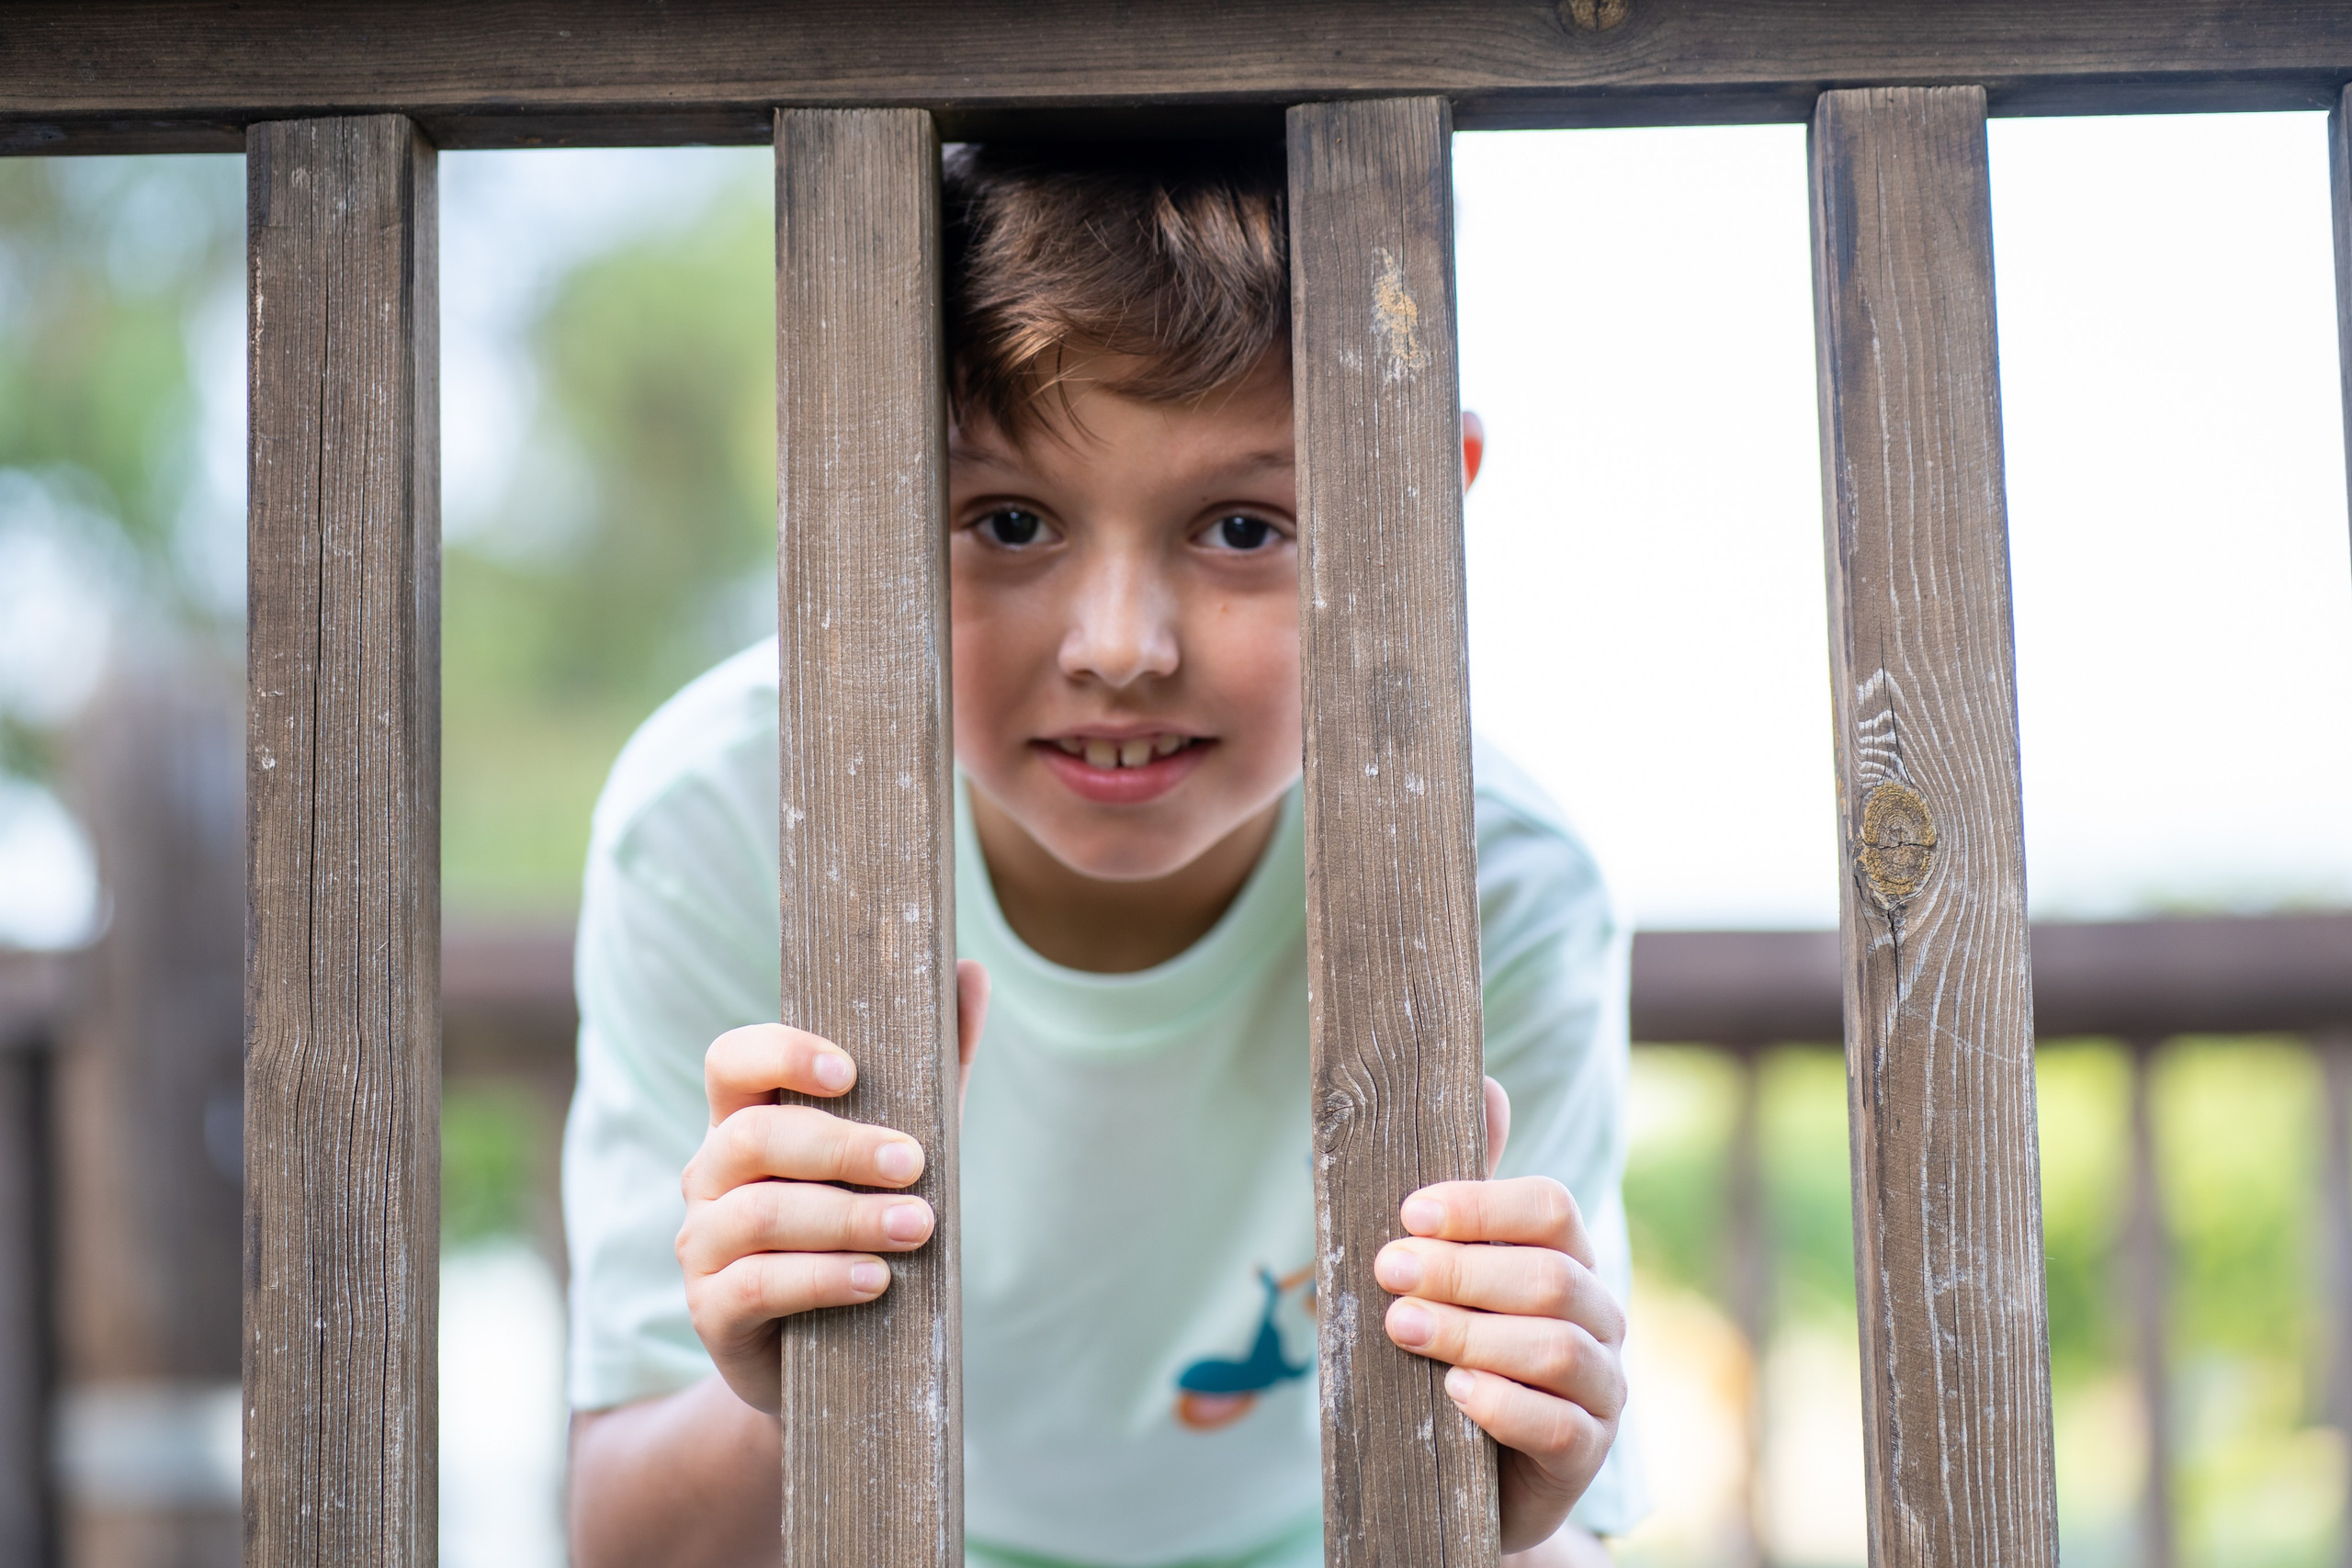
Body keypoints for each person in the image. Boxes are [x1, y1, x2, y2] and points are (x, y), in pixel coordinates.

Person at [562, 139, 1644, 1568]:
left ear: (1417, 510)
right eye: (1009, 521)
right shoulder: (716, 827)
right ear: (845, 500)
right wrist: (785, 1383)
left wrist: (1506, 1524)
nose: (1120, 647)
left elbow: (1562, 1523)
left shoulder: (1502, 886)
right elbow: (630, 1541)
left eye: (1243, 526)